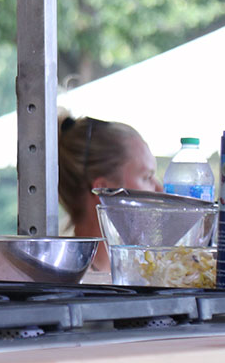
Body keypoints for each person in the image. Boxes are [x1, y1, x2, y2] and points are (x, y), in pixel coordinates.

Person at [57, 113, 161, 271]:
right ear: (104, 191)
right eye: (147, 177)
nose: (160, 189)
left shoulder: (142, 274)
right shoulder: (70, 284)